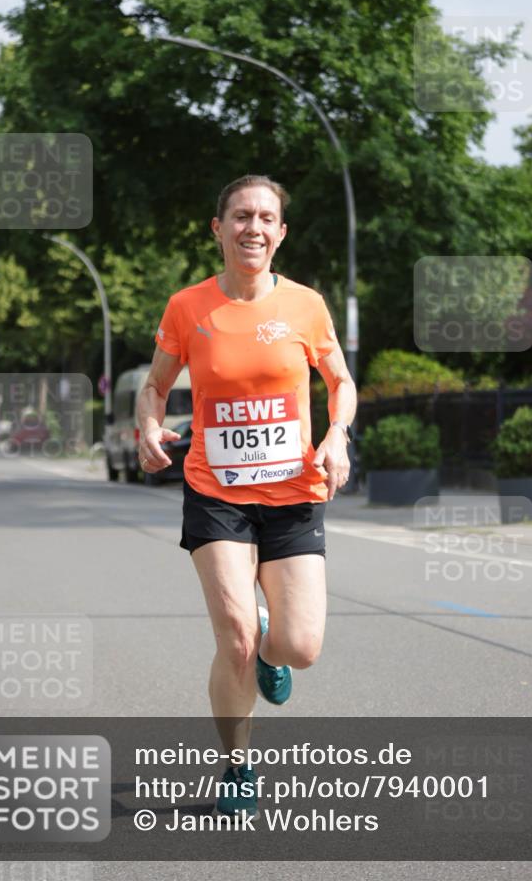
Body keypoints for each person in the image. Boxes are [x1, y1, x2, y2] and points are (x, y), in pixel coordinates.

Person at [137, 174, 356, 819]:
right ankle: (238, 763)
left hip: (293, 493)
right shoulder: (188, 307)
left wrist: (337, 433)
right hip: (216, 490)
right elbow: (154, 385)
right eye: (239, 216)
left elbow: (339, 380)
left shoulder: (307, 306)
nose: (252, 227)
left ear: (281, 233)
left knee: (300, 648)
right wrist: (148, 424)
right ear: (218, 228)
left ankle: (270, 646)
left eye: (265, 217)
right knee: (232, 634)